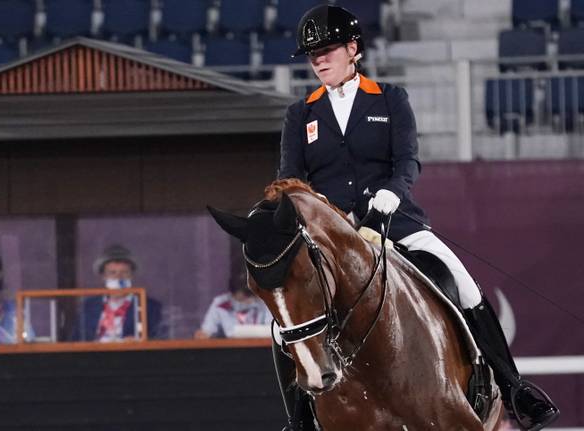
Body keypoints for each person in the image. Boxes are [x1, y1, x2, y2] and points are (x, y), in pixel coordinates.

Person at [275, 5, 559, 431]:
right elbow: (290, 180)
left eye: (327, 49)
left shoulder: (390, 99)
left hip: (396, 221)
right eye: (312, 52)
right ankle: (300, 417)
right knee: (283, 327)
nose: (318, 59)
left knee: (463, 284)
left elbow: (407, 160)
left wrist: (392, 193)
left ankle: (514, 387)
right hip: (334, 240)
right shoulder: (302, 114)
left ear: (353, 49)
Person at [77, 244, 163, 342]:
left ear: (132, 276)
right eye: (112, 273)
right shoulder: (89, 306)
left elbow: (161, 340)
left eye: (124, 272)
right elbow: (74, 341)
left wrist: (139, 342)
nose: (118, 277)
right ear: (103, 277)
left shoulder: (149, 306)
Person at [195, 269, 269, 339]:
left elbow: (272, 331)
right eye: (240, 300)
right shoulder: (220, 303)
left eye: (248, 297)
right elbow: (206, 331)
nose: (244, 302)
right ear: (231, 294)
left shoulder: (266, 302)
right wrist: (203, 334)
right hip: (230, 350)